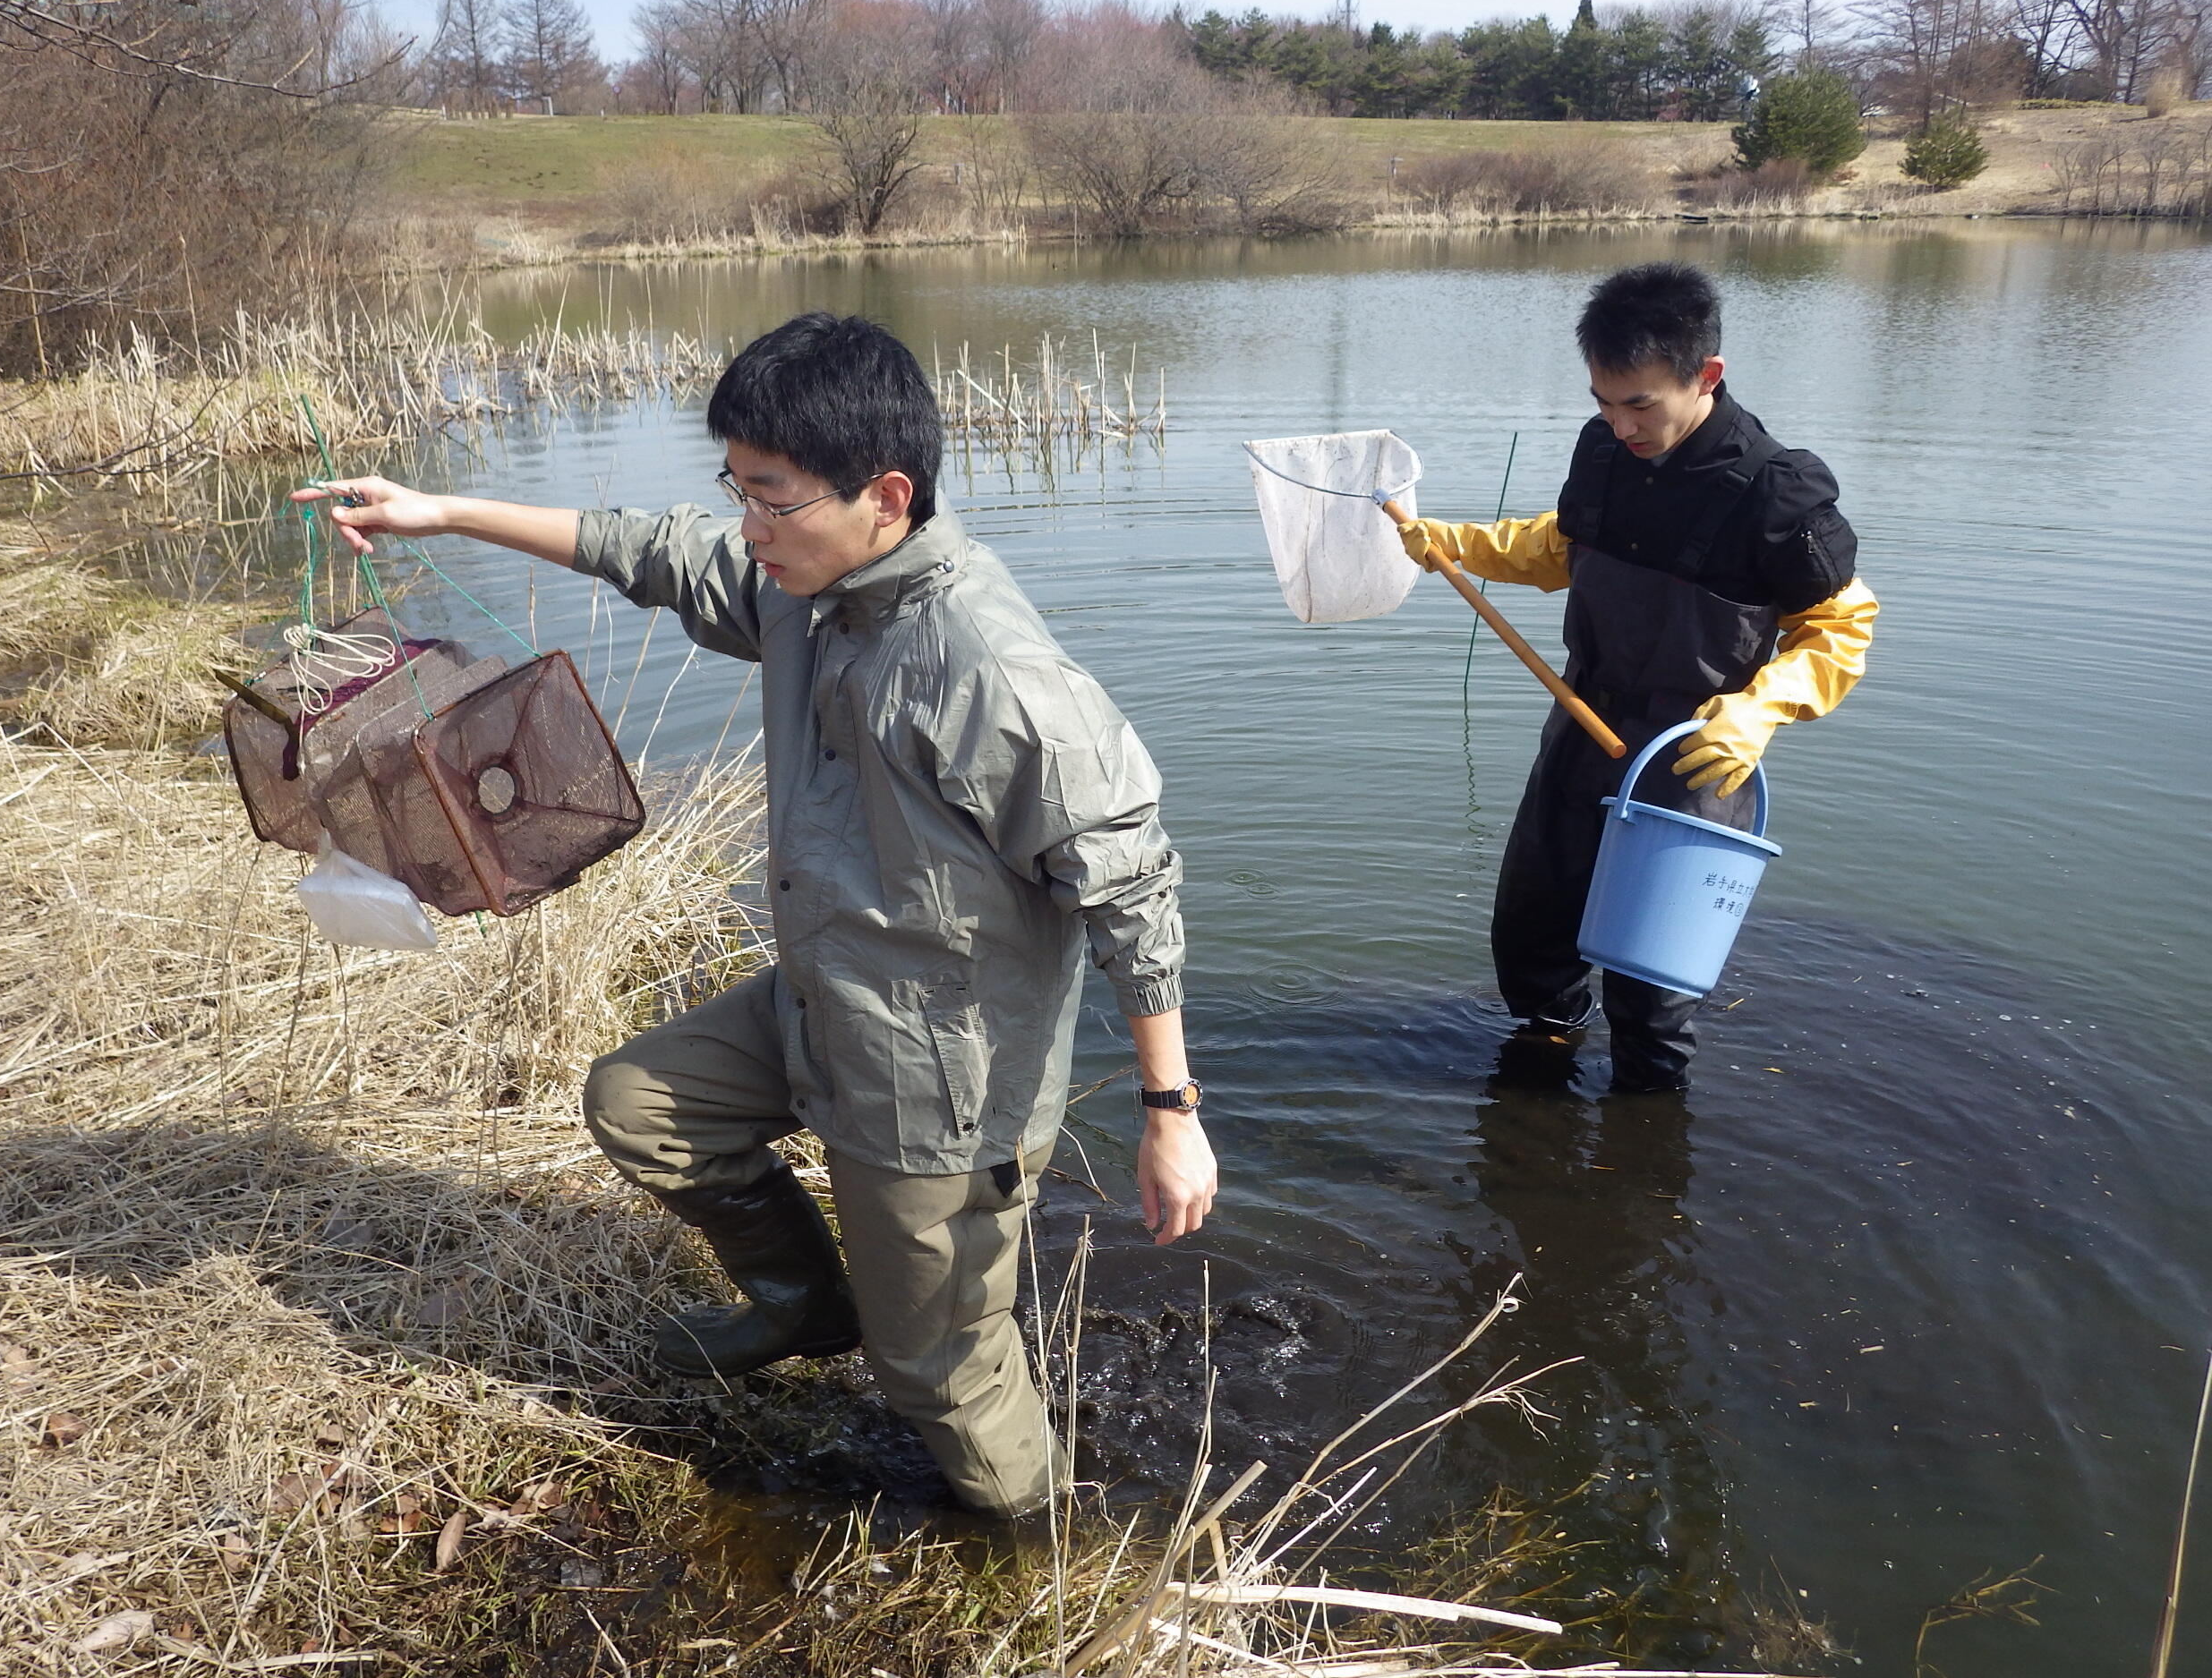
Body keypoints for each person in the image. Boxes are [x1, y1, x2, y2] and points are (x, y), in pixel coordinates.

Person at [291, 311, 1217, 1517]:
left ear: (885, 495)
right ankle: (805, 1303)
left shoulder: (988, 672)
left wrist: (1170, 1111)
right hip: (822, 1000)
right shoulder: (806, 584)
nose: (747, 527)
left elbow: (1131, 884)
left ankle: (1042, 1556)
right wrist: (442, 510)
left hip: (939, 1077)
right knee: (643, 1104)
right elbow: (652, 549)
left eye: (771, 500)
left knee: (939, 1370)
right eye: (738, 491)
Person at [1395, 262, 1877, 1094]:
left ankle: (1646, 1158)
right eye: (1604, 403)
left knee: (1650, 1000)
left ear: (1706, 377)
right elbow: (1561, 549)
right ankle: (1535, 1111)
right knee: (1532, 943)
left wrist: (1759, 712)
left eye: (1641, 404)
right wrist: (1453, 542)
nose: (1621, 425)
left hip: (1694, 760)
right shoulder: (1605, 453)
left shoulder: (1776, 491)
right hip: (1581, 733)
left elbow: (1841, 625)